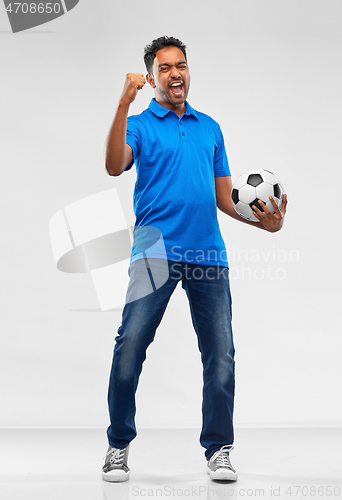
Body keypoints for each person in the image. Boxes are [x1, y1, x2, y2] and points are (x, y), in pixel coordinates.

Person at [102, 36, 287, 483]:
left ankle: (219, 449)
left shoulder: (210, 128)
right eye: (165, 68)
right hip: (154, 255)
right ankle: (118, 445)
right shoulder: (139, 124)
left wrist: (266, 225)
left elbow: (225, 196)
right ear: (151, 78)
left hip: (209, 254)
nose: (176, 73)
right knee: (130, 349)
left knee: (221, 354)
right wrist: (123, 104)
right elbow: (113, 166)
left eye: (181, 65)